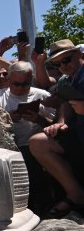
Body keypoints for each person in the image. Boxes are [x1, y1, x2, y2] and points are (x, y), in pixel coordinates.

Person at [28, 39, 84, 218]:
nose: (63, 66)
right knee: (38, 143)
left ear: (79, 55)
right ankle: (76, 195)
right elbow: (65, 102)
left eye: (66, 60)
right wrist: (61, 122)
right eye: (57, 64)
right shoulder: (67, 80)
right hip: (78, 135)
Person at [0, 62, 53, 213]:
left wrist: (38, 119)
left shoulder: (42, 96)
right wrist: (7, 118)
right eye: (16, 84)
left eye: (25, 84)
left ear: (31, 79)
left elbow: (57, 124)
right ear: (9, 79)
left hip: (35, 146)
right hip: (7, 147)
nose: (20, 88)